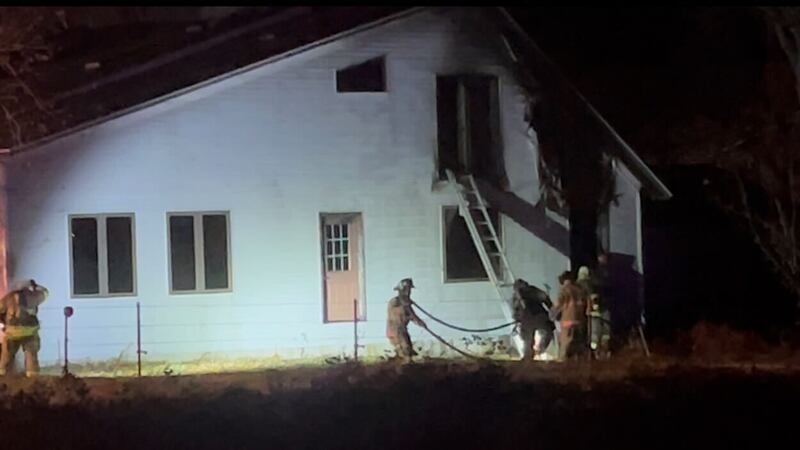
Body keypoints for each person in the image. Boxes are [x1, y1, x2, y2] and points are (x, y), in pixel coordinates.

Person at [0, 279, 49, 377]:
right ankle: (32, 379)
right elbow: (46, 293)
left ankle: (3, 378)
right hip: (30, 332)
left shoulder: (8, 298)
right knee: (31, 355)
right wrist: (36, 286)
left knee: (6, 356)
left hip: (12, 332)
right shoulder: (33, 296)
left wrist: (3, 324)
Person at [550, 271, 588, 361]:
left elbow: (557, 305)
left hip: (568, 324)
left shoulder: (564, 290)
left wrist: (551, 316)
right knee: (578, 350)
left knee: (565, 349)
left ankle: (562, 370)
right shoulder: (580, 291)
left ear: (562, 281)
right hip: (580, 323)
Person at [386, 278, 427, 363]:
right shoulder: (394, 302)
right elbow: (397, 315)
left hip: (403, 330)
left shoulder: (406, 304)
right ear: (401, 290)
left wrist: (421, 323)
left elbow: (412, 316)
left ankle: (406, 368)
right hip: (395, 331)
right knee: (405, 352)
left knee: (408, 351)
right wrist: (405, 306)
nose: (408, 292)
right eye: (406, 290)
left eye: (409, 290)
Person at [512, 279, 555, 360]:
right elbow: (545, 298)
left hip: (527, 319)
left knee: (528, 340)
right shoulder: (533, 290)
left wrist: (517, 319)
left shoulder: (517, 296)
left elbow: (516, 309)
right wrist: (551, 309)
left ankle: (528, 357)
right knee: (547, 333)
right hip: (540, 316)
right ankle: (540, 351)